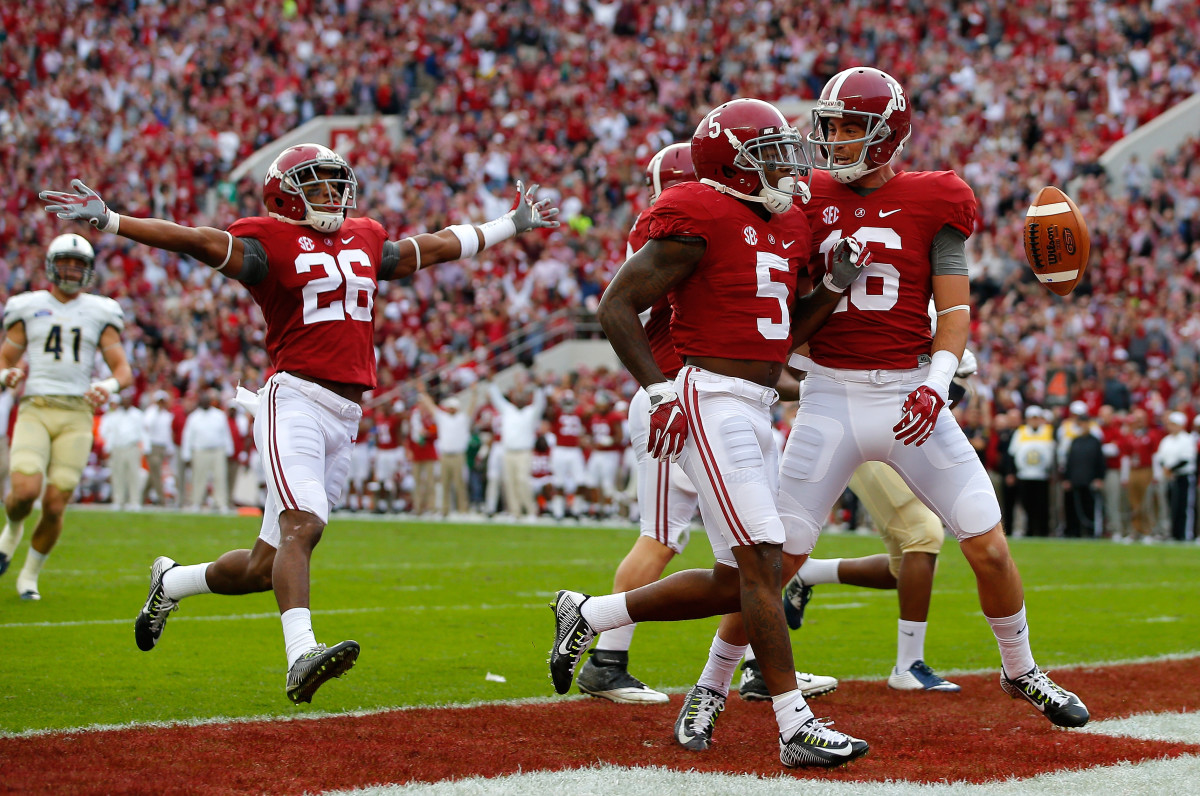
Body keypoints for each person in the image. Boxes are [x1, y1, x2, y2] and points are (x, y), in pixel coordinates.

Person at [40, 143, 557, 702]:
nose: (332, 194)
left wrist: (509, 224)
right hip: (295, 401)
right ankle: (300, 655)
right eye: (317, 184)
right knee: (303, 525)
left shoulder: (364, 236)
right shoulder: (268, 242)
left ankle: (172, 581)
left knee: (262, 568)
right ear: (284, 195)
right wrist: (113, 220)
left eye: (336, 183)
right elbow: (196, 239)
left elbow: (433, 246)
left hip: (346, 413)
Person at [549, 98, 871, 769]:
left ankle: (592, 614)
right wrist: (658, 389)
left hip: (757, 404)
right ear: (732, 164)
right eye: (769, 155)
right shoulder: (698, 210)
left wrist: (834, 287)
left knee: (742, 578)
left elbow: (783, 334)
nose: (787, 166)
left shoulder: (788, 223)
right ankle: (793, 724)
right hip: (710, 399)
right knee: (762, 561)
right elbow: (615, 306)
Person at [773, 66, 1087, 728]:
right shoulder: (803, 194)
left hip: (907, 396)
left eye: (850, 127)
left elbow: (954, 310)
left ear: (888, 136)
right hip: (828, 395)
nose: (834, 139)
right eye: (831, 125)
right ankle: (714, 684)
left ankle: (1021, 669)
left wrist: (935, 384)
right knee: (775, 562)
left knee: (988, 545)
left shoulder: (935, 196)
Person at [576, 142, 835, 705]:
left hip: (729, 401)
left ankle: (758, 667)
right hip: (677, 399)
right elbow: (625, 306)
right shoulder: (686, 229)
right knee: (664, 538)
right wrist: (662, 390)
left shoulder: (737, 225)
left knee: (758, 552)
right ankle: (606, 656)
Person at [0, 233, 132, 599]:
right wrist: (5, 375)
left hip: (77, 413)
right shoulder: (28, 306)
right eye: (65, 262)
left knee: (55, 504)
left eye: (78, 264)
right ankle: (11, 530)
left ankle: (29, 577)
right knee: (24, 492)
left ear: (88, 270)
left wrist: (107, 385)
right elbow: (5, 358)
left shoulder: (100, 311)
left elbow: (123, 370)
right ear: (51, 265)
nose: (71, 270)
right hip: (36, 407)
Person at [181, 390, 234, 512]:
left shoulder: (219, 415)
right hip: (200, 451)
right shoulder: (194, 417)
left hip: (217, 450)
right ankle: (196, 502)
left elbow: (225, 433)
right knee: (198, 478)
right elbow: (188, 436)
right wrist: (186, 454)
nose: (205, 402)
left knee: (220, 477)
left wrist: (229, 449)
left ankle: (221, 503)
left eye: (207, 400)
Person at [1009, 406, 1055, 537]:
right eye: (1032, 418)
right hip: (1025, 475)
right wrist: (1012, 472)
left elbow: (1053, 454)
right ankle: (1028, 530)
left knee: (1042, 505)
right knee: (1026, 504)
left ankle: (1043, 531)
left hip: (1042, 475)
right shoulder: (1021, 432)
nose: (1034, 421)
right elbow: (1012, 453)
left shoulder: (1048, 431)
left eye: (1037, 418)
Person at [100, 392, 148, 511]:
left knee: (134, 475)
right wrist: (108, 448)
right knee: (117, 475)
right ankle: (118, 500)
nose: (126, 402)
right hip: (118, 448)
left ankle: (134, 501)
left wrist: (146, 448)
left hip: (132, 447)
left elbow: (143, 432)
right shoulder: (114, 416)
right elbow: (110, 433)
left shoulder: (137, 414)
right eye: (124, 400)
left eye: (128, 399)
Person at [1154, 411, 1195, 541]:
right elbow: (1160, 458)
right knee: (1172, 506)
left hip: (1183, 476)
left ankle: (1185, 534)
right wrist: (1166, 470)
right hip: (1170, 477)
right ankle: (1174, 533)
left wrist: (1170, 469)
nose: (1171, 427)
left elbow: (1186, 459)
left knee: (1184, 506)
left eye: (1174, 424)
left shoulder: (1187, 439)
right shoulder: (1166, 440)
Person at [142, 390, 177, 506]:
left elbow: (168, 434)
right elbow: (147, 428)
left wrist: (169, 448)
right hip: (152, 446)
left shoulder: (168, 415)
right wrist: (146, 448)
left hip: (162, 447)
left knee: (153, 473)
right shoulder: (151, 412)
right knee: (156, 472)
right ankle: (162, 499)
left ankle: (141, 497)